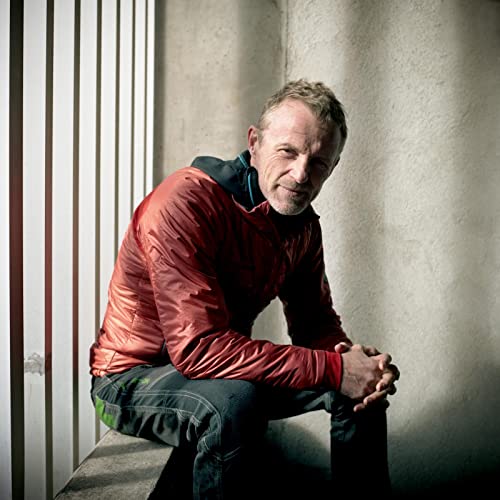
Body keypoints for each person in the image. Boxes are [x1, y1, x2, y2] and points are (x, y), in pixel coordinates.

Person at [89, 78, 400, 498]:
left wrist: (357, 366)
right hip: (130, 381)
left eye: (318, 162)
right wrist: (334, 368)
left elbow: (315, 325)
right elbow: (198, 348)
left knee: (360, 387)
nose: (301, 174)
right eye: (287, 151)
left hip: (219, 371)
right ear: (254, 143)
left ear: (333, 166)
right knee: (233, 402)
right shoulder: (185, 202)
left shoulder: (303, 227)